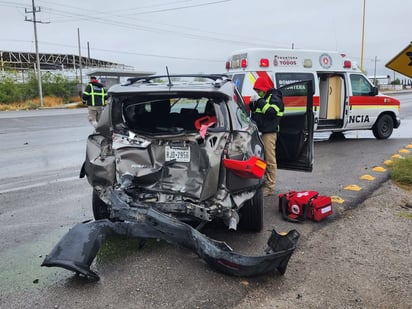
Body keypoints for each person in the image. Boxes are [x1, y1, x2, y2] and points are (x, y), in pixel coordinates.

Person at [249, 77, 284, 196]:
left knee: (269, 160)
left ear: (265, 88)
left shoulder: (275, 97)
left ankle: (269, 187)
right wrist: (252, 104)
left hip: (268, 133)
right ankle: (262, 183)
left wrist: (259, 101)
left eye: (259, 90)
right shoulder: (265, 98)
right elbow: (258, 112)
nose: (258, 93)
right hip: (259, 132)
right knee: (260, 160)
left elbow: (271, 112)